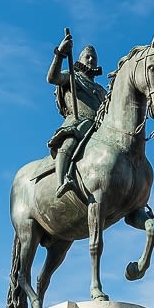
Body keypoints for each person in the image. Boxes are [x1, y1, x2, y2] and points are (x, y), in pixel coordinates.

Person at [46, 29, 107, 199]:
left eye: (93, 58)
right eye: (87, 56)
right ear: (79, 60)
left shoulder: (101, 90)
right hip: (78, 123)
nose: (90, 60)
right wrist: (60, 54)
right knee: (70, 142)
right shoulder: (73, 76)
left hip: (98, 129)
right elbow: (52, 78)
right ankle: (61, 182)